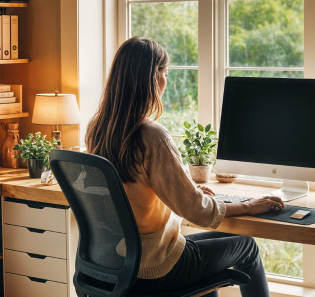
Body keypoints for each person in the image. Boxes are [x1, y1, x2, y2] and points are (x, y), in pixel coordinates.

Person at [85, 36, 285, 296]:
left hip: (117, 261)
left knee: (206, 262)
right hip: (154, 267)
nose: (166, 81)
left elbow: (137, 189)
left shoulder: (98, 128)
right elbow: (197, 212)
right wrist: (250, 205)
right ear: (152, 78)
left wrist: (191, 189)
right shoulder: (152, 136)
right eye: (165, 73)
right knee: (247, 247)